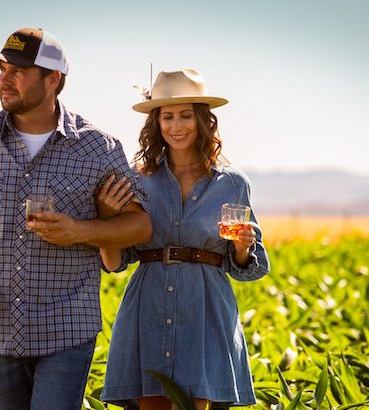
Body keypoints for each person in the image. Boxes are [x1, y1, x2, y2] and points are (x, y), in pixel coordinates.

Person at [0, 27, 151, 409]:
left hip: (66, 329)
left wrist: (80, 231)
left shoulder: (98, 146)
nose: (5, 78)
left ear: (53, 79)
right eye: (1, 69)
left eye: (18, 70)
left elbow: (140, 225)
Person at [97, 69, 270, 409]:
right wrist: (104, 219)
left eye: (186, 116)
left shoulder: (232, 183)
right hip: (147, 303)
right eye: (168, 116)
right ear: (156, 123)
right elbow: (116, 262)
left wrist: (241, 249)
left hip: (205, 305)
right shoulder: (137, 179)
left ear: (203, 121)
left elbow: (251, 268)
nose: (176, 126)